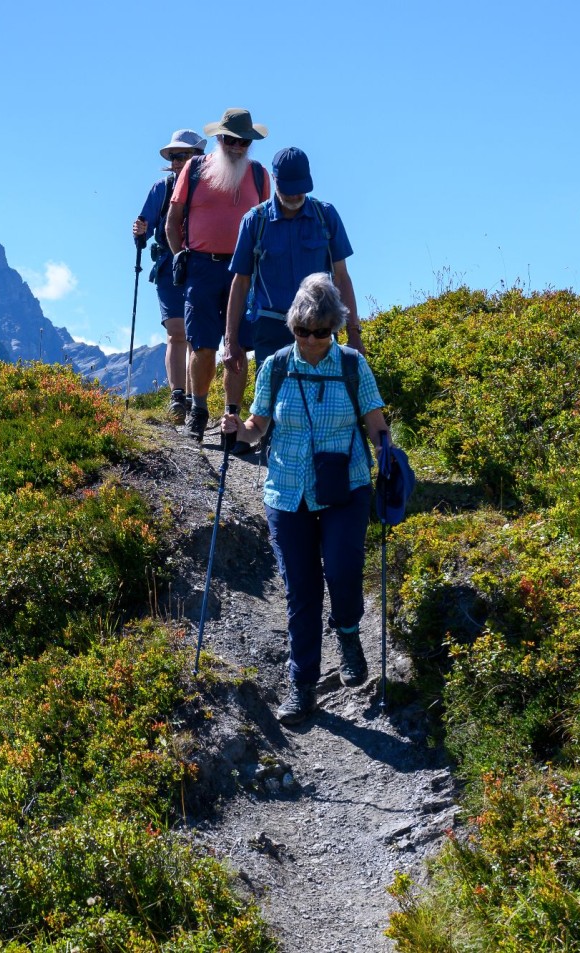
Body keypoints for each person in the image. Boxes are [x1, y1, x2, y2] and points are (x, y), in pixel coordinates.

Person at [219, 274, 391, 724]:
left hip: (345, 487)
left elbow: (375, 421)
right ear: (293, 326)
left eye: (321, 332)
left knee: (342, 568)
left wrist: (387, 453)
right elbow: (258, 426)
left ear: (334, 328)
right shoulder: (275, 365)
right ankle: (302, 687)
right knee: (301, 591)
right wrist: (240, 432)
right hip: (286, 491)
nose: (311, 340)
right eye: (302, 331)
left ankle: (349, 634)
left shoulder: (352, 365)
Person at [224, 147, 363, 454]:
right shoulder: (255, 221)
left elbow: (342, 277)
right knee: (272, 397)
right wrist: (231, 340)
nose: (296, 196)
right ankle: (277, 461)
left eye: (301, 189)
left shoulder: (325, 216)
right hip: (270, 325)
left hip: (320, 328)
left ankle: (320, 461)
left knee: (320, 394)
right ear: (275, 180)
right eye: (289, 190)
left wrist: (354, 333)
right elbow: (240, 281)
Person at [165, 108, 272, 443]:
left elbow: (267, 222)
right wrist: (179, 255)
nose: (237, 146)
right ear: (219, 138)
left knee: (237, 346)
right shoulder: (195, 169)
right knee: (202, 343)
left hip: (243, 272)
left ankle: (231, 417)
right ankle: (198, 411)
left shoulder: (259, 175)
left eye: (243, 141)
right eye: (231, 139)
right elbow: (173, 218)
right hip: (201, 266)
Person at [134, 129, 206, 422]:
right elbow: (146, 225)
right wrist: (139, 233)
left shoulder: (210, 191)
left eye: (183, 155)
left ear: (198, 158)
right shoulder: (161, 189)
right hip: (169, 265)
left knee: (196, 335)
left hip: (203, 266)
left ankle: (193, 398)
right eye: (174, 156)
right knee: (177, 332)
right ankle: (179, 397)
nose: (177, 161)